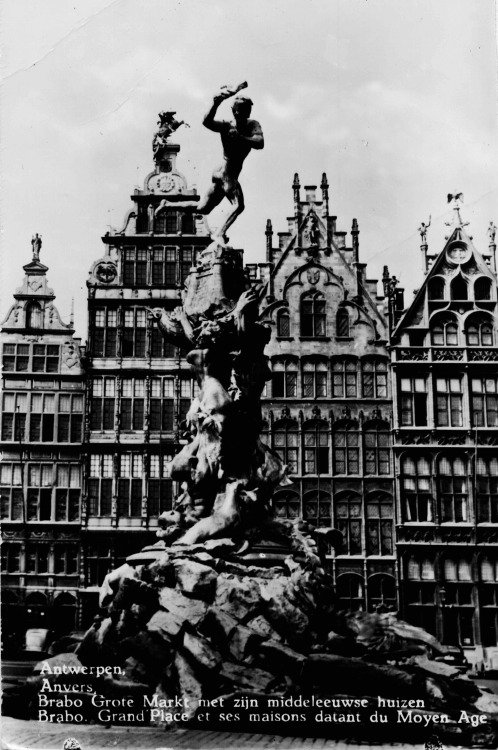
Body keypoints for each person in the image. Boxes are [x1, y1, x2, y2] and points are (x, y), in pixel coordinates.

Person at [156, 86, 264, 242]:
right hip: (227, 172)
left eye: (246, 112)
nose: (242, 116)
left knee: (203, 208)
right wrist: (215, 103)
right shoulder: (227, 125)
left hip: (223, 172)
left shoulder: (252, 125)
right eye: (239, 112)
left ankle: (167, 205)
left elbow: (260, 142)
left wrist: (239, 137)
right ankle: (219, 234)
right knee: (239, 206)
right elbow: (207, 122)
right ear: (234, 112)